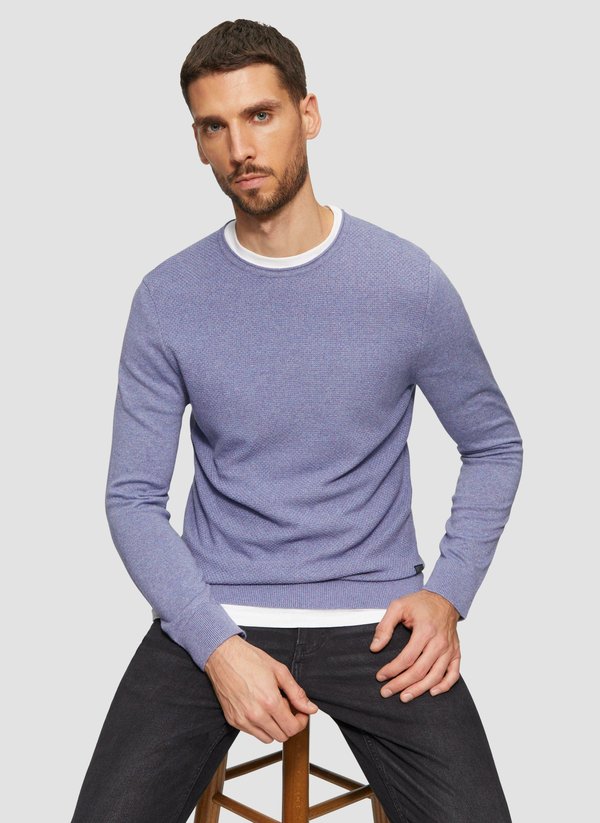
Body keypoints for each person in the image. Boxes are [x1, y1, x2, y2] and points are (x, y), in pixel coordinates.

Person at [70, 18, 523, 823]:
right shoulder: (167, 297)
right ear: (198, 142)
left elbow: (493, 444)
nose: (241, 147)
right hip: (216, 614)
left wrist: (448, 594)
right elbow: (131, 498)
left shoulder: (405, 282)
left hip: (377, 621)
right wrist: (217, 645)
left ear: (308, 114)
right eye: (215, 126)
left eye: (261, 115)